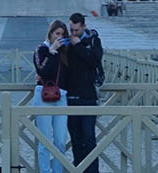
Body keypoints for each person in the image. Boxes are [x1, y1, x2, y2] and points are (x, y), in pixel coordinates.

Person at [60, 11, 104, 173]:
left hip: (88, 96)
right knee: (76, 139)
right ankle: (78, 170)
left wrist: (78, 45)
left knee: (89, 138)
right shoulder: (67, 43)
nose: (73, 34)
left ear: (83, 27)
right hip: (70, 96)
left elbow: (94, 61)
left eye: (76, 30)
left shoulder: (93, 41)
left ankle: (92, 171)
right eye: (71, 30)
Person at [29, 20, 69, 173]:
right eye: (57, 34)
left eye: (62, 34)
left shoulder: (65, 52)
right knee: (44, 140)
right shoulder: (41, 49)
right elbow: (42, 70)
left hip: (62, 96)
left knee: (60, 140)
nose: (59, 37)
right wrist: (52, 51)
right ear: (50, 33)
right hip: (43, 96)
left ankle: (58, 171)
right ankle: (45, 171)